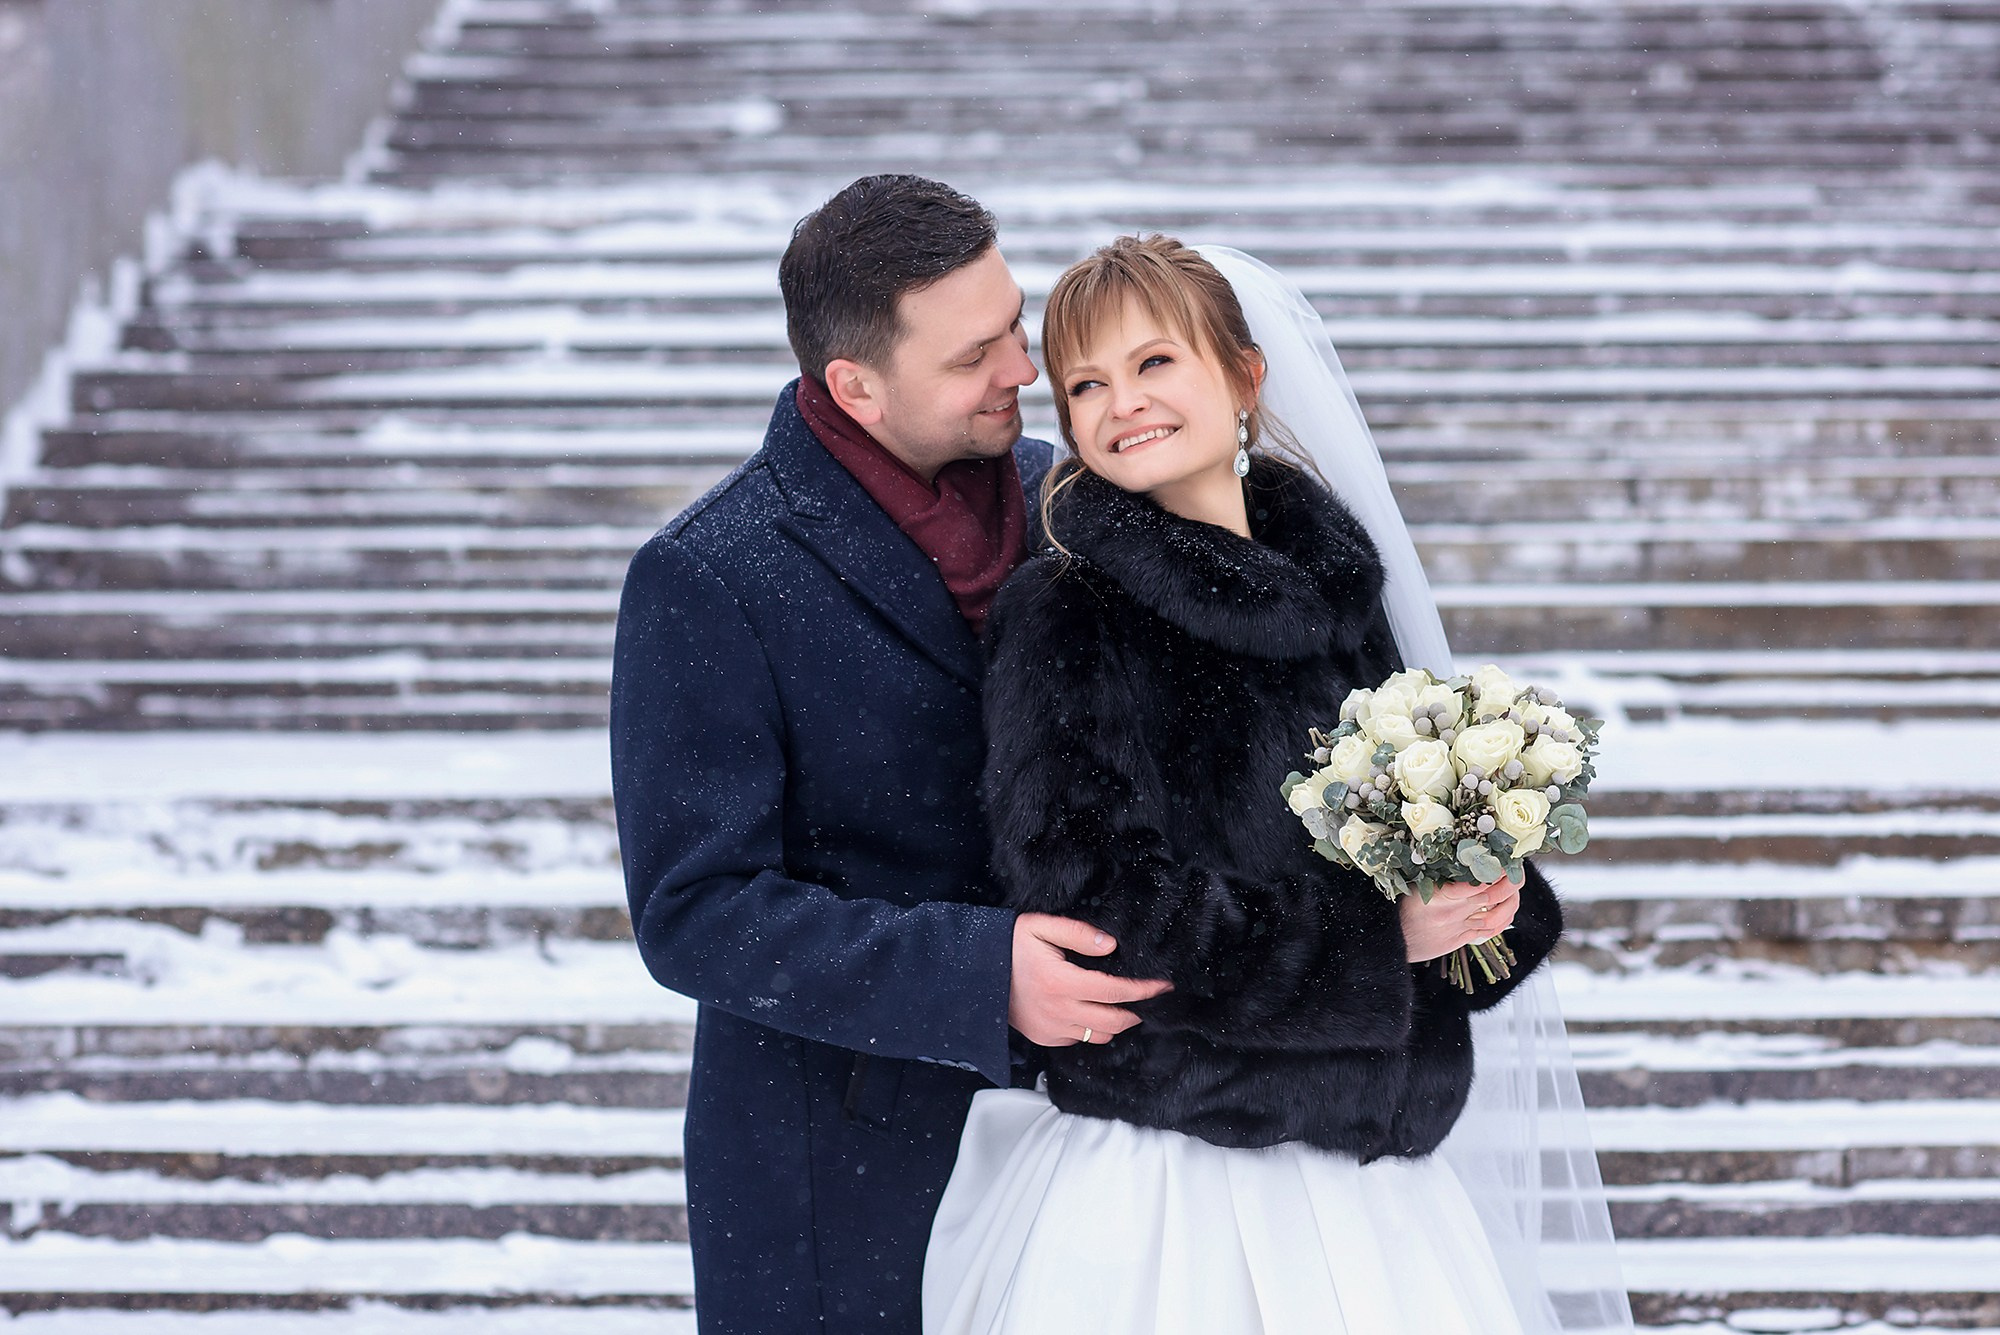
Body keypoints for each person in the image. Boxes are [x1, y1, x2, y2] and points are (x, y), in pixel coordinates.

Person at [925, 236, 1632, 1334]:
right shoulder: (1068, 611)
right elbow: (1092, 891)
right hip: (1179, 1174)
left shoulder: (1338, 594)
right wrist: (1370, 946)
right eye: (1085, 385)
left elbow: (1413, 854)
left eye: (1154, 363)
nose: (1122, 404)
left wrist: (1483, 897)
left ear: (1244, 376)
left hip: (1380, 1191)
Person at [610, 178, 1171, 1334]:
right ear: (854, 386)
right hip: (842, 1165)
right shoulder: (708, 577)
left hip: (1102, 1132)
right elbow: (695, 911)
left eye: (1014, 322)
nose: (1022, 368)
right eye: (976, 354)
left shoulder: (1080, 502)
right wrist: (978, 974)